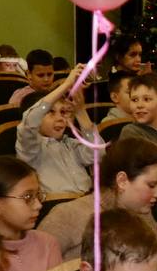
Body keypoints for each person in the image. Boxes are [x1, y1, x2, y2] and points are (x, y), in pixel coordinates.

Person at [38, 137, 157, 260]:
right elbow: (36, 266)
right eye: (151, 185)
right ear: (122, 180)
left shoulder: (142, 212)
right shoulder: (68, 215)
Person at [16, 63, 101, 195]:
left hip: (87, 199)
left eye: (63, 112)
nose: (60, 118)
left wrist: (80, 111)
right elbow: (31, 119)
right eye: (51, 112)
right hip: (55, 203)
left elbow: (98, 154)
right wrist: (67, 84)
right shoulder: (30, 148)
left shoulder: (71, 144)